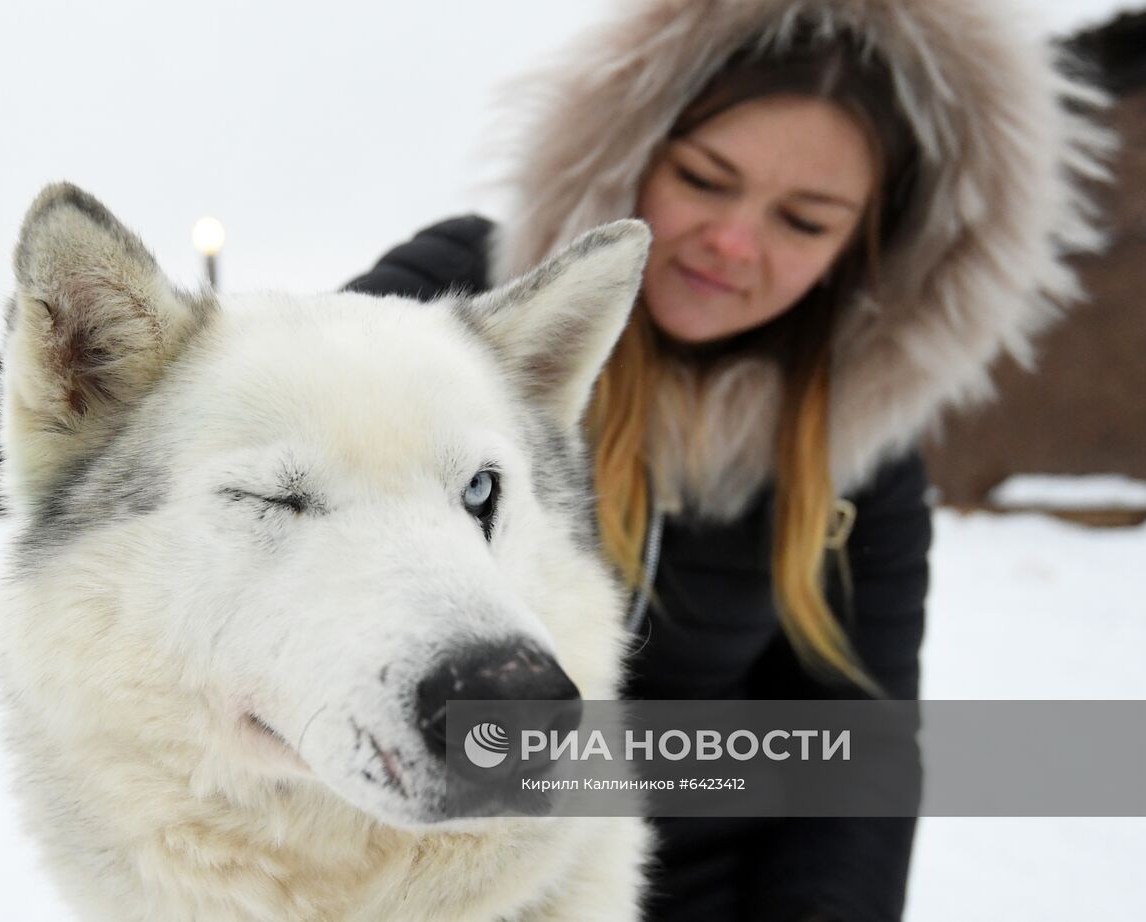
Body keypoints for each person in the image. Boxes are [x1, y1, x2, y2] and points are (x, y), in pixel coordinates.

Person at [347, 0, 1109, 919]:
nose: (735, 243)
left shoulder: (860, 454)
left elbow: (853, 763)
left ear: (865, 252)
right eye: (706, 179)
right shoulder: (455, 305)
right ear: (630, 152)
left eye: (805, 220)